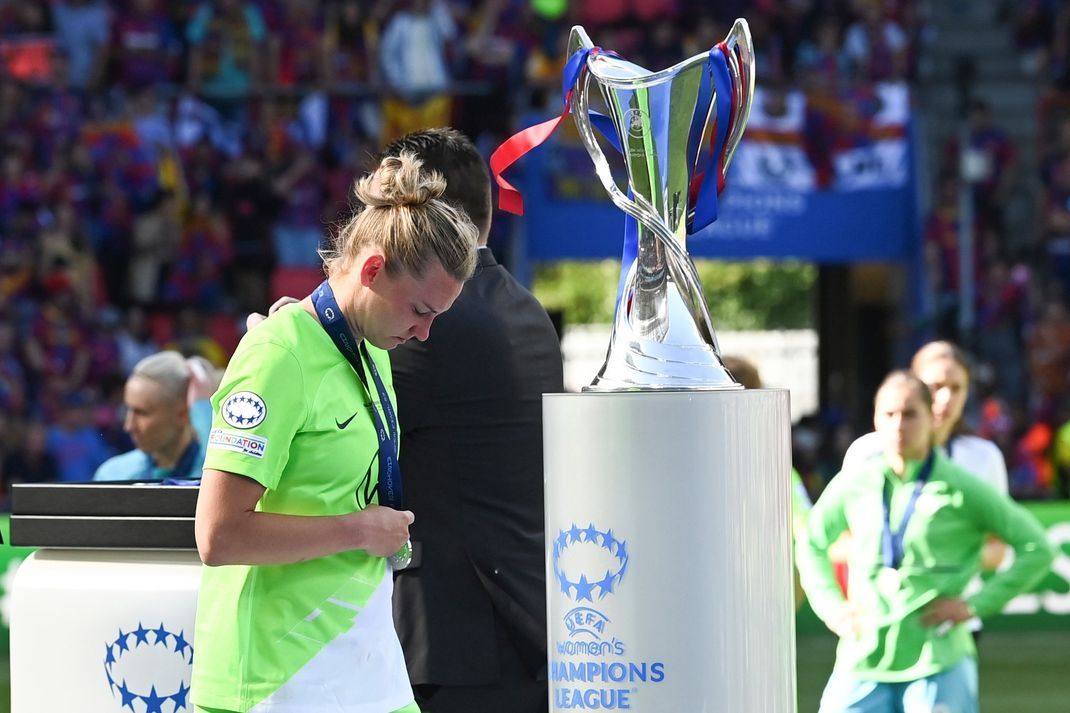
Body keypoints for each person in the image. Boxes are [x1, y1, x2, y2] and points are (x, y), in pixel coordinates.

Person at [191, 152, 478, 713]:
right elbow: (219, 536)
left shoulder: (370, 345)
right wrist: (358, 530)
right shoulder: (280, 352)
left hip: (360, 657)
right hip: (277, 678)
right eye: (421, 311)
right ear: (372, 271)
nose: (424, 333)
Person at [385, 128, 563, 712]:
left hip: (453, 640)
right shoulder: (523, 306)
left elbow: (339, 426)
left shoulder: (432, 320)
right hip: (517, 627)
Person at [798, 371, 1053, 713]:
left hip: (938, 659)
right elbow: (811, 542)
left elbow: (1037, 548)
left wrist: (976, 605)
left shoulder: (962, 486)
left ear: (932, 419)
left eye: (910, 414)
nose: (899, 425)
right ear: (875, 418)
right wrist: (831, 607)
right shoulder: (855, 482)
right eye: (889, 415)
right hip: (862, 656)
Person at [841, 341, 1010, 642]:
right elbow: (836, 541)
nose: (945, 398)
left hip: (951, 624)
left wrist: (941, 555)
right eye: (935, 386)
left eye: (957, 388)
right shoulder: (866, 453)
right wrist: (839, 608)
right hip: (876, 621)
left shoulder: (983, 458)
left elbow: (1000, 550)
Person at [93, 352, 216, 482]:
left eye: (142, 413)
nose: (128, 426)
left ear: (184, 414)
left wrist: (201, 406)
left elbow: (219, 466)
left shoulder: (209, 471)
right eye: (128, 409)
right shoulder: (113, 475)